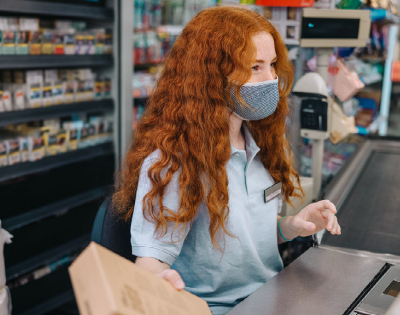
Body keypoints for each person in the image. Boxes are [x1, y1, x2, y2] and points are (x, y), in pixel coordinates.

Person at [112, 6, 341, 315]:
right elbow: (151, 261)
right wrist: (158, 283)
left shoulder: (260, 141)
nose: (271, 79)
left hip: (272, 296)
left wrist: (291, 226)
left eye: (272, 65)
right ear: (212, 74)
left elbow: (241, 235)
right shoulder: (175, 163)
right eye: (255, 67)